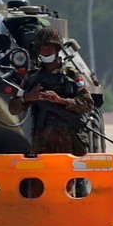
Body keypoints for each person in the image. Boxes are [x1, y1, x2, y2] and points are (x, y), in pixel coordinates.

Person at [9, 27, 95, 156]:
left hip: (69, 141)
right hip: (42, 143)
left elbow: (88, 104)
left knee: (70, 175)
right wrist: (28, 97)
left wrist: (61, 100)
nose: (45, 53)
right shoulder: (32, 77)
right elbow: (13, 108)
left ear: (57, 50)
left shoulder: (72, 75)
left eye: (49, 49)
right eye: (42, 50)